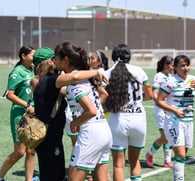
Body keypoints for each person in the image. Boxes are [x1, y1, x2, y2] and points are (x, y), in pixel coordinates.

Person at [31, 46, 108, 181]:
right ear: (49, 62)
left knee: (55, 174)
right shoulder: (51, 81)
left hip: (50, 136)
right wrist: (96, 72)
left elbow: (70, 86)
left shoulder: (39, 81)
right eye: (53, 59)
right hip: (51, 137)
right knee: (54, 176)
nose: (55, 61)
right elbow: (75, 76)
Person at [54, 42, 112, 181]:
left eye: (56, 57)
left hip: (90, 134)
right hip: (104, 130)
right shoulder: (86, 78)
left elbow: (91, 111)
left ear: (66, 60)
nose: (54, 61)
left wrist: (75, 123)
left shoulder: (75, 83)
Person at [104, 44, 153, 181]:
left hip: (118, 120)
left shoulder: (107, 73)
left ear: (113, 56)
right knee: (134, 161)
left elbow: (102, 97)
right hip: (138, 119)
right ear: (129, 56)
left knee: (119, 165)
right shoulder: (139, 71)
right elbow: (150, 95)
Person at [156, 55, 195, 181]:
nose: (186, 68)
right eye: (183, 65)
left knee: (182, 156)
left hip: (189, 122)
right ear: (175, 67)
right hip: (173, 122)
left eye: (187, 65)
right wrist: (175, 110)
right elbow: (159, 101)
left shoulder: (193, 79)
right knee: (180, 154)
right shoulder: (170, 81)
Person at [0, 46, 36, 181]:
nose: (35, 58)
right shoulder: (17, 72)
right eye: (33, 55)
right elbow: (9, 94)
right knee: (20, 152)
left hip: (33, 115)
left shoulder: (34, 70)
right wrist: (27, 105)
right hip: (20, 115)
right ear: (23, 56)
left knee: (31, 151)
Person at [145, 55, 174, 168]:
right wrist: (161, 103)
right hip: (161, 110)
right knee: (165, 137)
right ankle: (149, 154)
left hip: (170, 109)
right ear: (165, 65)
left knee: (169, 136)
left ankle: (167, 161)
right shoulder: (159, 76)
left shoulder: (171, 76)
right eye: (171, 64)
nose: (173, 66)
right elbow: (154, 93)